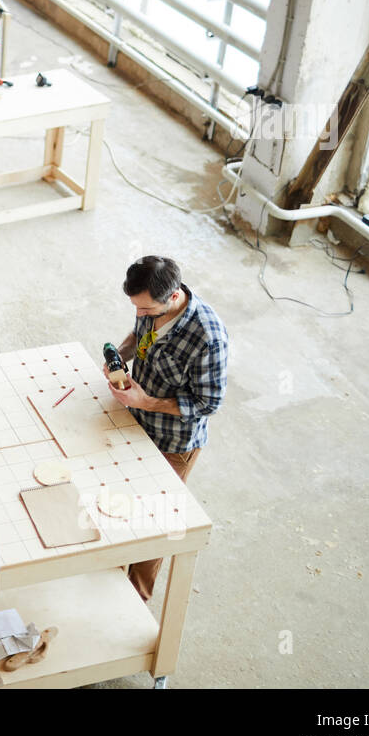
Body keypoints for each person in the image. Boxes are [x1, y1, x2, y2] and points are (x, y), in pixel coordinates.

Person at [106, 256, 229, 602]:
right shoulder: (150, 307)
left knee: (155, 522)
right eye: (136, 308)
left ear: (174, 297)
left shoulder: (208, 338)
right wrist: (119, 356)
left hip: (173, 443)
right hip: (136, 425)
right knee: (121, 506)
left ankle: (134, 598)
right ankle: (110, 575)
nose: (140, 314)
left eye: (147, 310)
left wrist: (147, 402)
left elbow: (208, 404)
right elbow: (138, 336)